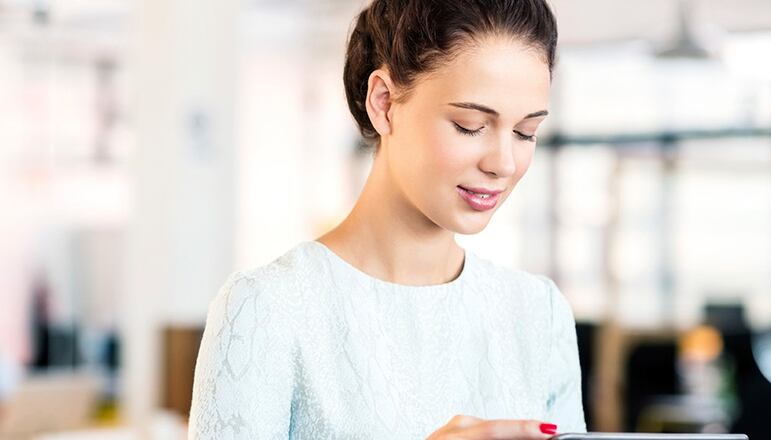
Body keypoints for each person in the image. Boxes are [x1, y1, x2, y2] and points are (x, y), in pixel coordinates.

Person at [188, 0, 586, 438]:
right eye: (470, 125)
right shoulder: (268, 308)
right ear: (384, 103)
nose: (504, 163)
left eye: (525, 132)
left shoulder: (537, 313)